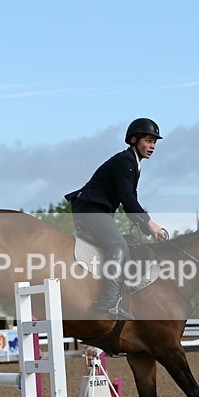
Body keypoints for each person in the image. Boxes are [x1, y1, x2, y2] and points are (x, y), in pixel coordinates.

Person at [65, 118, 168, 320]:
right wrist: (150, 224)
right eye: (148, 141)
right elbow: (127, 199)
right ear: (133, 139)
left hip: (97, 210)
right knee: (118, 246)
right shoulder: (125, 161)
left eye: (154, 142)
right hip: (90, 209)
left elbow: (131, 200)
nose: (152, 146)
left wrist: (147, 229)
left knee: (129, 245)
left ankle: (118, 297)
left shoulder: (133, 163)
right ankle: (109, 300)